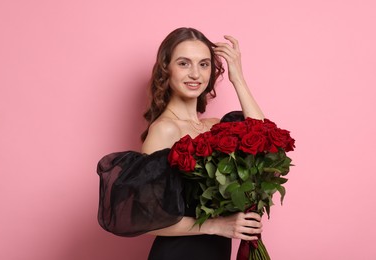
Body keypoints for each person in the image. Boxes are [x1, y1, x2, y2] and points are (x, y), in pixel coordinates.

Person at [97, 27, 265, 260]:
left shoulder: (216, 126)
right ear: (166, 69)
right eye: (184, 63)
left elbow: (265, 139)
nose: (195, 74)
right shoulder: (165, 129)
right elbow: (146, 219)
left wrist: (238, 78)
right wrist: (216, 225)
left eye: (204, 64)